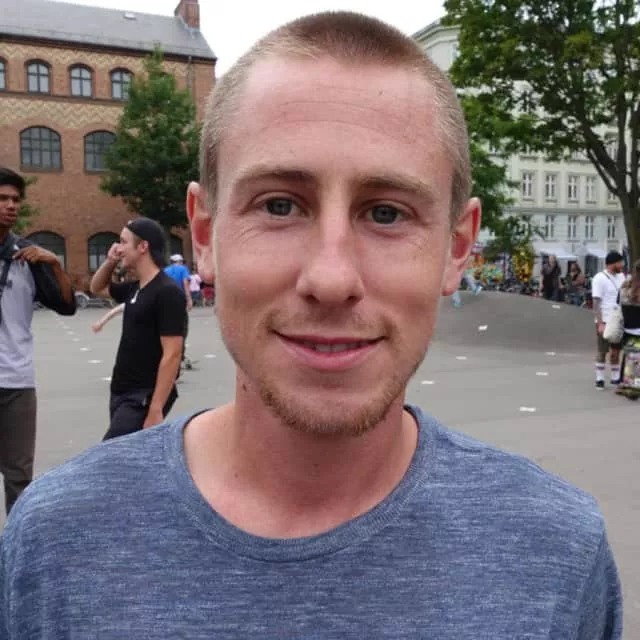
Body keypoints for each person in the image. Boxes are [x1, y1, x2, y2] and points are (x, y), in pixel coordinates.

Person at [0, 14, 622, 638]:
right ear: (206, 233)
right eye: (279, 205)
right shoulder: (54, 544)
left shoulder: (560, 556)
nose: (331, 278)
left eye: (387, 213)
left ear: (456, 247)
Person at [0, 167, 76, 515]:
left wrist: (55, 264)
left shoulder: (28, 256)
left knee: (19, 477)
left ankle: (18, 544)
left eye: (16, 199)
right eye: (3, 199)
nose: (11, 206)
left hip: (17, 380)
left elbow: (67, 306)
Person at [88, 217, 187, 440]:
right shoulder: (135, 288)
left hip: (143, 395)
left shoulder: (167, 292)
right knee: (130, 456)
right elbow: (97, 287)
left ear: (143, 247)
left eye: (123, 242)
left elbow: (172, 354)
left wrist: (156, 408)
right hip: (121, 390)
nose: (118, 248)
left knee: (112, 453)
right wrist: (110, 261)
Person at [592, 251, 626, 389]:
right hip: (605, 319)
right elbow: (596, 302)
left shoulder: (622, 277)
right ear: (613, 263)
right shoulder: (599, 278)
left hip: (618, 319)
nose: (622, 265)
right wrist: (600, 323)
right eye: (620, 262)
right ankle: (599, 379)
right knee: (602, 350)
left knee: (616, 350)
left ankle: (615, 378)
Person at [615, 258, 640, 400]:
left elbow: (618, 304)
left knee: (630, 357)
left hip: (627, 328)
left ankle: (624, 384)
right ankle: (633, 388)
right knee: (635, 360)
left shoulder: (625, 286)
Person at [164, 253, 194, 370]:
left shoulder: (165, 271)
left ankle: (168, 355)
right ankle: (180, 356)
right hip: (179, 301)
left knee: (168, 329)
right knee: (182, 329)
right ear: (180, 262)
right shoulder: (183, 269)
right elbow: (185, 283)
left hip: (166, 302)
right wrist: (189, 299)